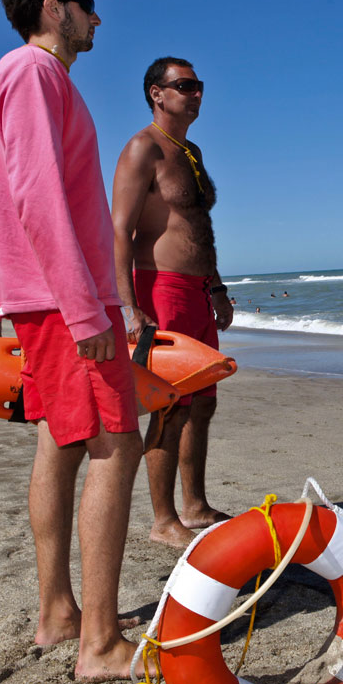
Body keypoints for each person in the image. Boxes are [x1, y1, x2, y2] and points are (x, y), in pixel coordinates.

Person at [0, 0, 140, 681]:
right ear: (54, 8)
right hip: (61, 300)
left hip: (50, 298)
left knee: (62, 441)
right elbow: (37, 195)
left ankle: (58, 613)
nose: (96, 18)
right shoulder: (32, 71)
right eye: (86, 3)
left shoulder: (40, 78)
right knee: (117, 444)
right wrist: (86, 312)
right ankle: (100, 645)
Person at [112, 56, 233, 548]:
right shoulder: (143, 148)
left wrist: (217, 286)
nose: (196, 93)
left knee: (202, 404)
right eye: (185, 85)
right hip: (160, 289)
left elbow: (197, 227)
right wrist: (129, 307)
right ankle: (163, 521)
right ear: (156, 93)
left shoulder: (192, 152)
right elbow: (119, 230)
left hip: (199, 291)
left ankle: (194, 506)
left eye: (199, 85)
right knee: (170, 406)